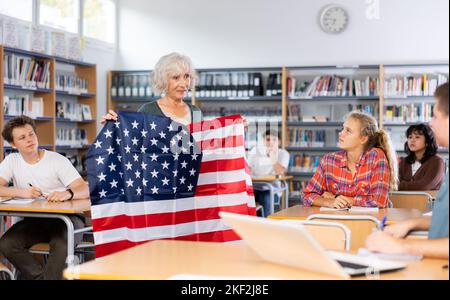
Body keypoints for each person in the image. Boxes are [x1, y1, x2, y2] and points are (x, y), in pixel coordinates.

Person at [366, 82, 449, 259]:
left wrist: (400, 246)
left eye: (435, 116)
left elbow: (410, 184)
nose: (431, 123)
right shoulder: (405, 161)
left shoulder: (437, 162)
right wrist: (412, 223)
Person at [0, 116, 89, 280]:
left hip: (67, 220)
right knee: (7, 243)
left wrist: (68, 193)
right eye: (22, 137)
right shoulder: (12, 161)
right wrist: (22, 192)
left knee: (61, 244)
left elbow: (84, 188)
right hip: (36, 220)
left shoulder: (56, 160)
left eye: (31, 134)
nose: (29, 140)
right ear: (13, 144)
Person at [302, 111, 398, 208]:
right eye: (342, 128)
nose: (340, 133)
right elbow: (307, 195)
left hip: (369, 221)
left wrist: (337, 197)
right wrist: (328, 202)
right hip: (337, 221)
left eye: (348, 131)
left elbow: (378, 201)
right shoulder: (328, 160)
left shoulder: (376, 157)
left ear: (363, 139)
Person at [102, 52, 202, 126]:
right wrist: (114, 125)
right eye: (176, 77)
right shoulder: (148, 111)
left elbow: (202, 147)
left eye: (186, 76)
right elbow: (132, 140)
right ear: (163, 80)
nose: (183, 84)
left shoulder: (196, 112)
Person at [248, 129, 290, 217]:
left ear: (279, 142)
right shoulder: (255, 151)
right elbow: (248, 169)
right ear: (263, 141)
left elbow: (280, 171)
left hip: (271, 189)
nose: (270, 142)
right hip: (253, 188)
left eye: (274, 140)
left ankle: (263, 225)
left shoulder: (283, 153)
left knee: (265, 197)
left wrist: (271, 154)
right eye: (267, 139)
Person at [398, 124, 445, 190]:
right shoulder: (404, 162)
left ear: (427, 142)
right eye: (410, 137)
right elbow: (395, 181)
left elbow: (425, 186)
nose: (412, 140)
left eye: (417, 137)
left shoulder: (437, 162)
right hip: (402, 200)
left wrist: (400, 186)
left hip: (428, 200)